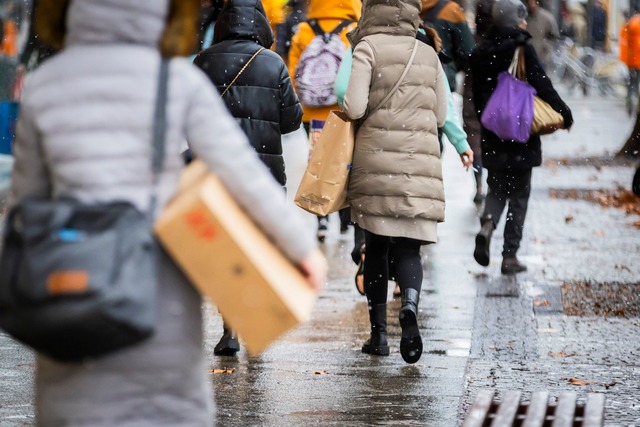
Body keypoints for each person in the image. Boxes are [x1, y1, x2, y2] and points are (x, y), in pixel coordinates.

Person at [11, 0, 326, 424]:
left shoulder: (46, 85)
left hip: (73, 289)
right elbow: (243, 173)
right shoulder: (174, 81)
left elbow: (25, 208)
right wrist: (300, 249)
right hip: (155, 293)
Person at [343, 0, 470, 364]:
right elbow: (442, 113)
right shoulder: (428, 52)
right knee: (410, 248)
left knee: (378, 247)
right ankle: (409, 306)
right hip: (419, 163)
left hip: (376, 162)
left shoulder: (366, 48)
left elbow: (352, 107)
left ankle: (379, 336)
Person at [194, 0, 303, 356]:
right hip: (264, 174)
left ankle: (230, 330)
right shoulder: (272, 64)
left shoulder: (205, 62)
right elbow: (291, 122)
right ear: (261, 24)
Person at [470, 0, 573, 275]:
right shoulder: (521, 48)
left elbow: (477, 97)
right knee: (519, 194)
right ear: (515, 20)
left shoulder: (480, 51)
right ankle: (509, 256)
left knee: (496, 188)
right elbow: (542, 83)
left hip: (492, 132)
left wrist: (489, 118)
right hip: (520, 131)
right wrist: (563, 112)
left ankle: (487, 224)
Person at [288, 0, 361, 241]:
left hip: (312, 112)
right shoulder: (355, 29)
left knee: (318, 162)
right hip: (343, 111)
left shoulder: (305, 29)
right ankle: (343, 218)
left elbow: (292, 72)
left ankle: (321, 218)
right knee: (345, 161)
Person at [420, 0, 474, 92]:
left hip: (410, 79)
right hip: (443, 79)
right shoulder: (451, 10)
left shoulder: (405, 8)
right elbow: (468, 51)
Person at [525, 0, 559, 71]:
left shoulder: (546, 18)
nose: (531, 5)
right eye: (529, 2)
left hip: (541, 58)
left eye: (533, 2)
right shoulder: (525, 17)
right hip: (527, 58)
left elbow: (554, 36)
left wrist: (545, 45)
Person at [620, 12, 640, 115]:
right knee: (635, 84)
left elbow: (624, 45)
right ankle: (634, 104)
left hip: (631, 61)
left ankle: (630, 103)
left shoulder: (628, 27)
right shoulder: (636, 25)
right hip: (636, 61)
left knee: (631, 84)